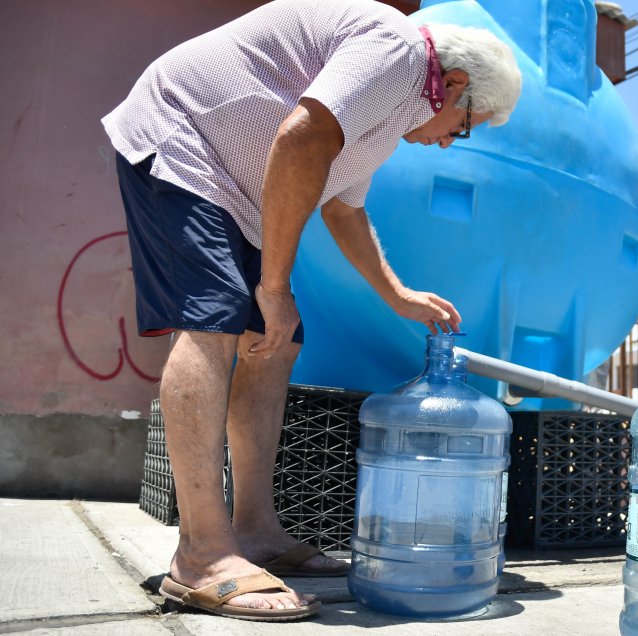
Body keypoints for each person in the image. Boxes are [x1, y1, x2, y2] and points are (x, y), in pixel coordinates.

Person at [102, 0, 521, 621]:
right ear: (454, 86)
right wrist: (273, 287)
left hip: (236, 190)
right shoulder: (397, 47)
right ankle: (201, 554)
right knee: (215, 323)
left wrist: (396, 295)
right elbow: (302, 136)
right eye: (463, 127)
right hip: (182, 138)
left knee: (278, 340)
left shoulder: (390, 115)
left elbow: (343, 208)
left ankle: (255, 532)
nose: (447, 143)